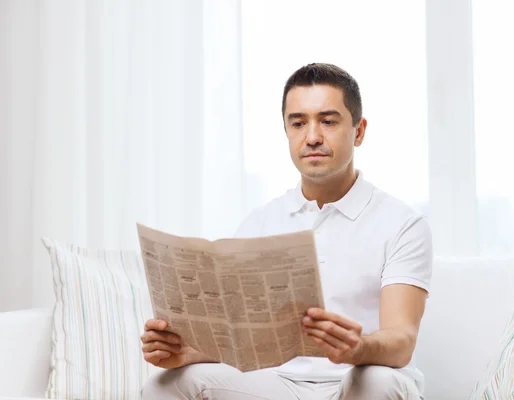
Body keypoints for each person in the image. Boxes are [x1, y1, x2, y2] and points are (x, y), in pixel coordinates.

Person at [140, 63, 432, 400]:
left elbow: (402, 341)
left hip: (359, 380)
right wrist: (184, 352)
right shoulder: (260, 223)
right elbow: (240, 342)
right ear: (287, 131)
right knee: (167, 383)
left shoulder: (402, 223)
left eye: (328, 121)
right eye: (298, 123)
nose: (312, 137)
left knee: (375, 382)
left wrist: (358, 348)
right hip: (278, 385)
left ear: (359, 130)